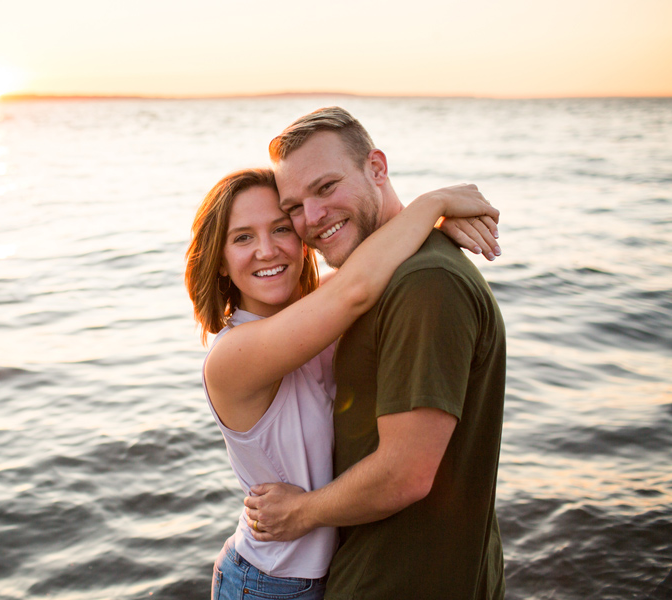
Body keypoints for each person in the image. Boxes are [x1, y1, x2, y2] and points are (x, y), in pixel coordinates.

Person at [185, 167, 500, 600]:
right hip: (269, 583)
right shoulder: (232, 356)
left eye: (281, 228)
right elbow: (357, 287)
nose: (267, 249)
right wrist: (435, 203)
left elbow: (374, 259)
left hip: (326, 572)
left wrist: (438, 228)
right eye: (242, 238)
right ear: (219, 261)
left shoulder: (312, 313)